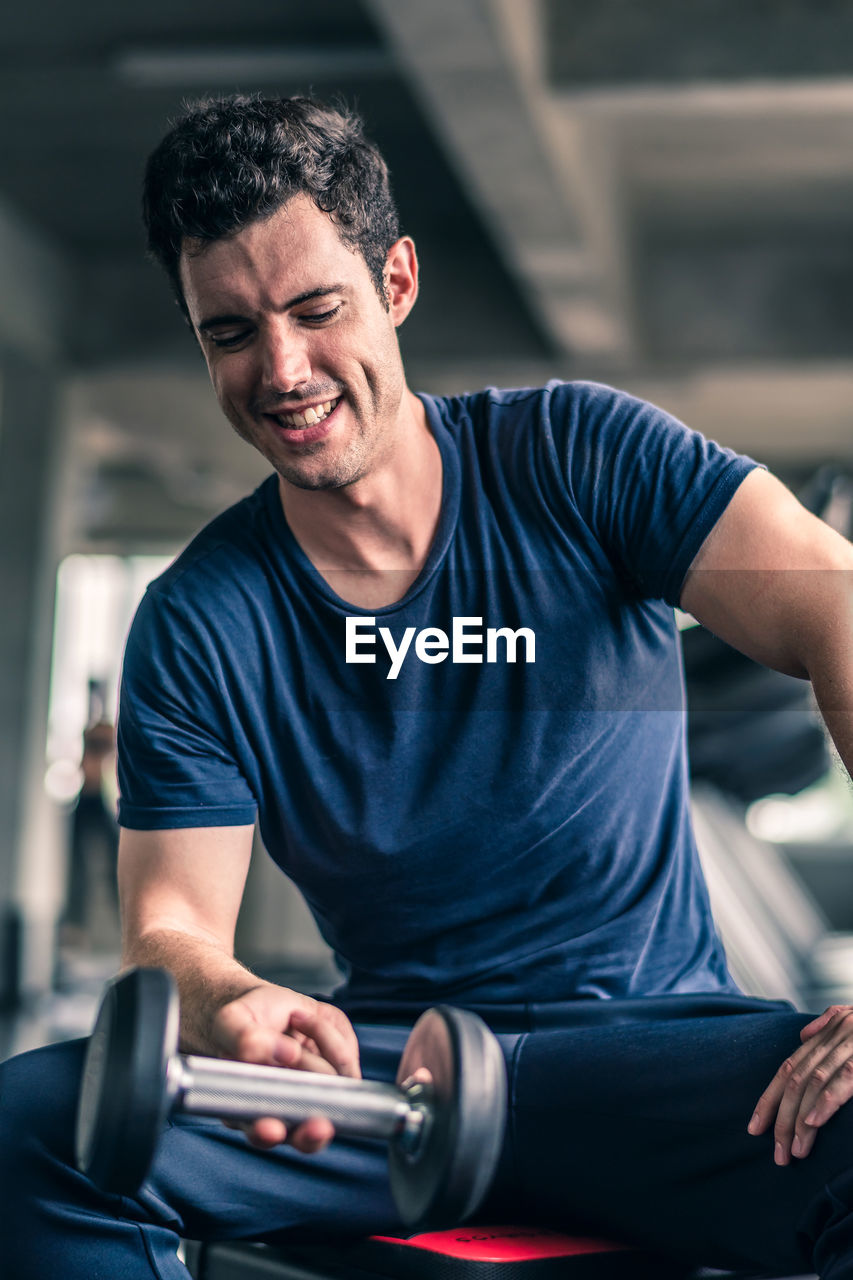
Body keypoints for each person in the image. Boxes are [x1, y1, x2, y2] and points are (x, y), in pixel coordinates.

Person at [3, 93, 853, 1280]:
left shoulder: (578, 456)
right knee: (33, 1127)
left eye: (316, 308)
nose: (283, 369)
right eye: (231, 331)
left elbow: (833, 601)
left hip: (659, 1061)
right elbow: (170, 925)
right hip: (388, 1083)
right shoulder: (200, 619)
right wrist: (226, 997)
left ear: (396, 281)